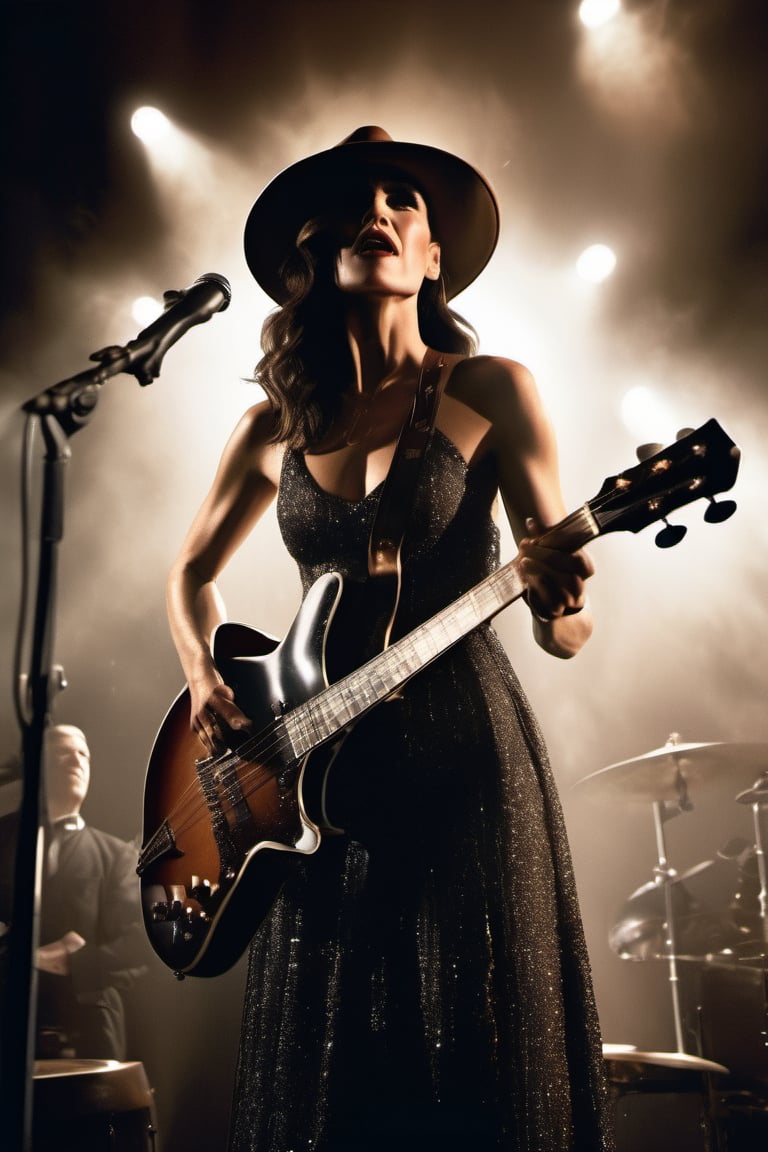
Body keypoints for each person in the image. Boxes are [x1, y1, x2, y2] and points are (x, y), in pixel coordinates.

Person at [166, 126, 612, 1150]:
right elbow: (187, 572)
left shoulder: (490, 388)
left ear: (435, 255)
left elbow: (571, 633)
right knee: (333, 1077)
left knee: (473, 1062)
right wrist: (203, 675)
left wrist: (559, 600)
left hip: (465, 761)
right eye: (356, 199)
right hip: (314, 775)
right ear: (316, 249)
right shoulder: (270, 427)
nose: (381, 210)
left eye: (403, 199)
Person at [0, 724, 147, 1060]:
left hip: (87, 1032)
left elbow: (138, 945)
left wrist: (73, 961)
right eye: (62, 752)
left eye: (83, 754)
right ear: (34, 764)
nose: (76, 760)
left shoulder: (118, 856)